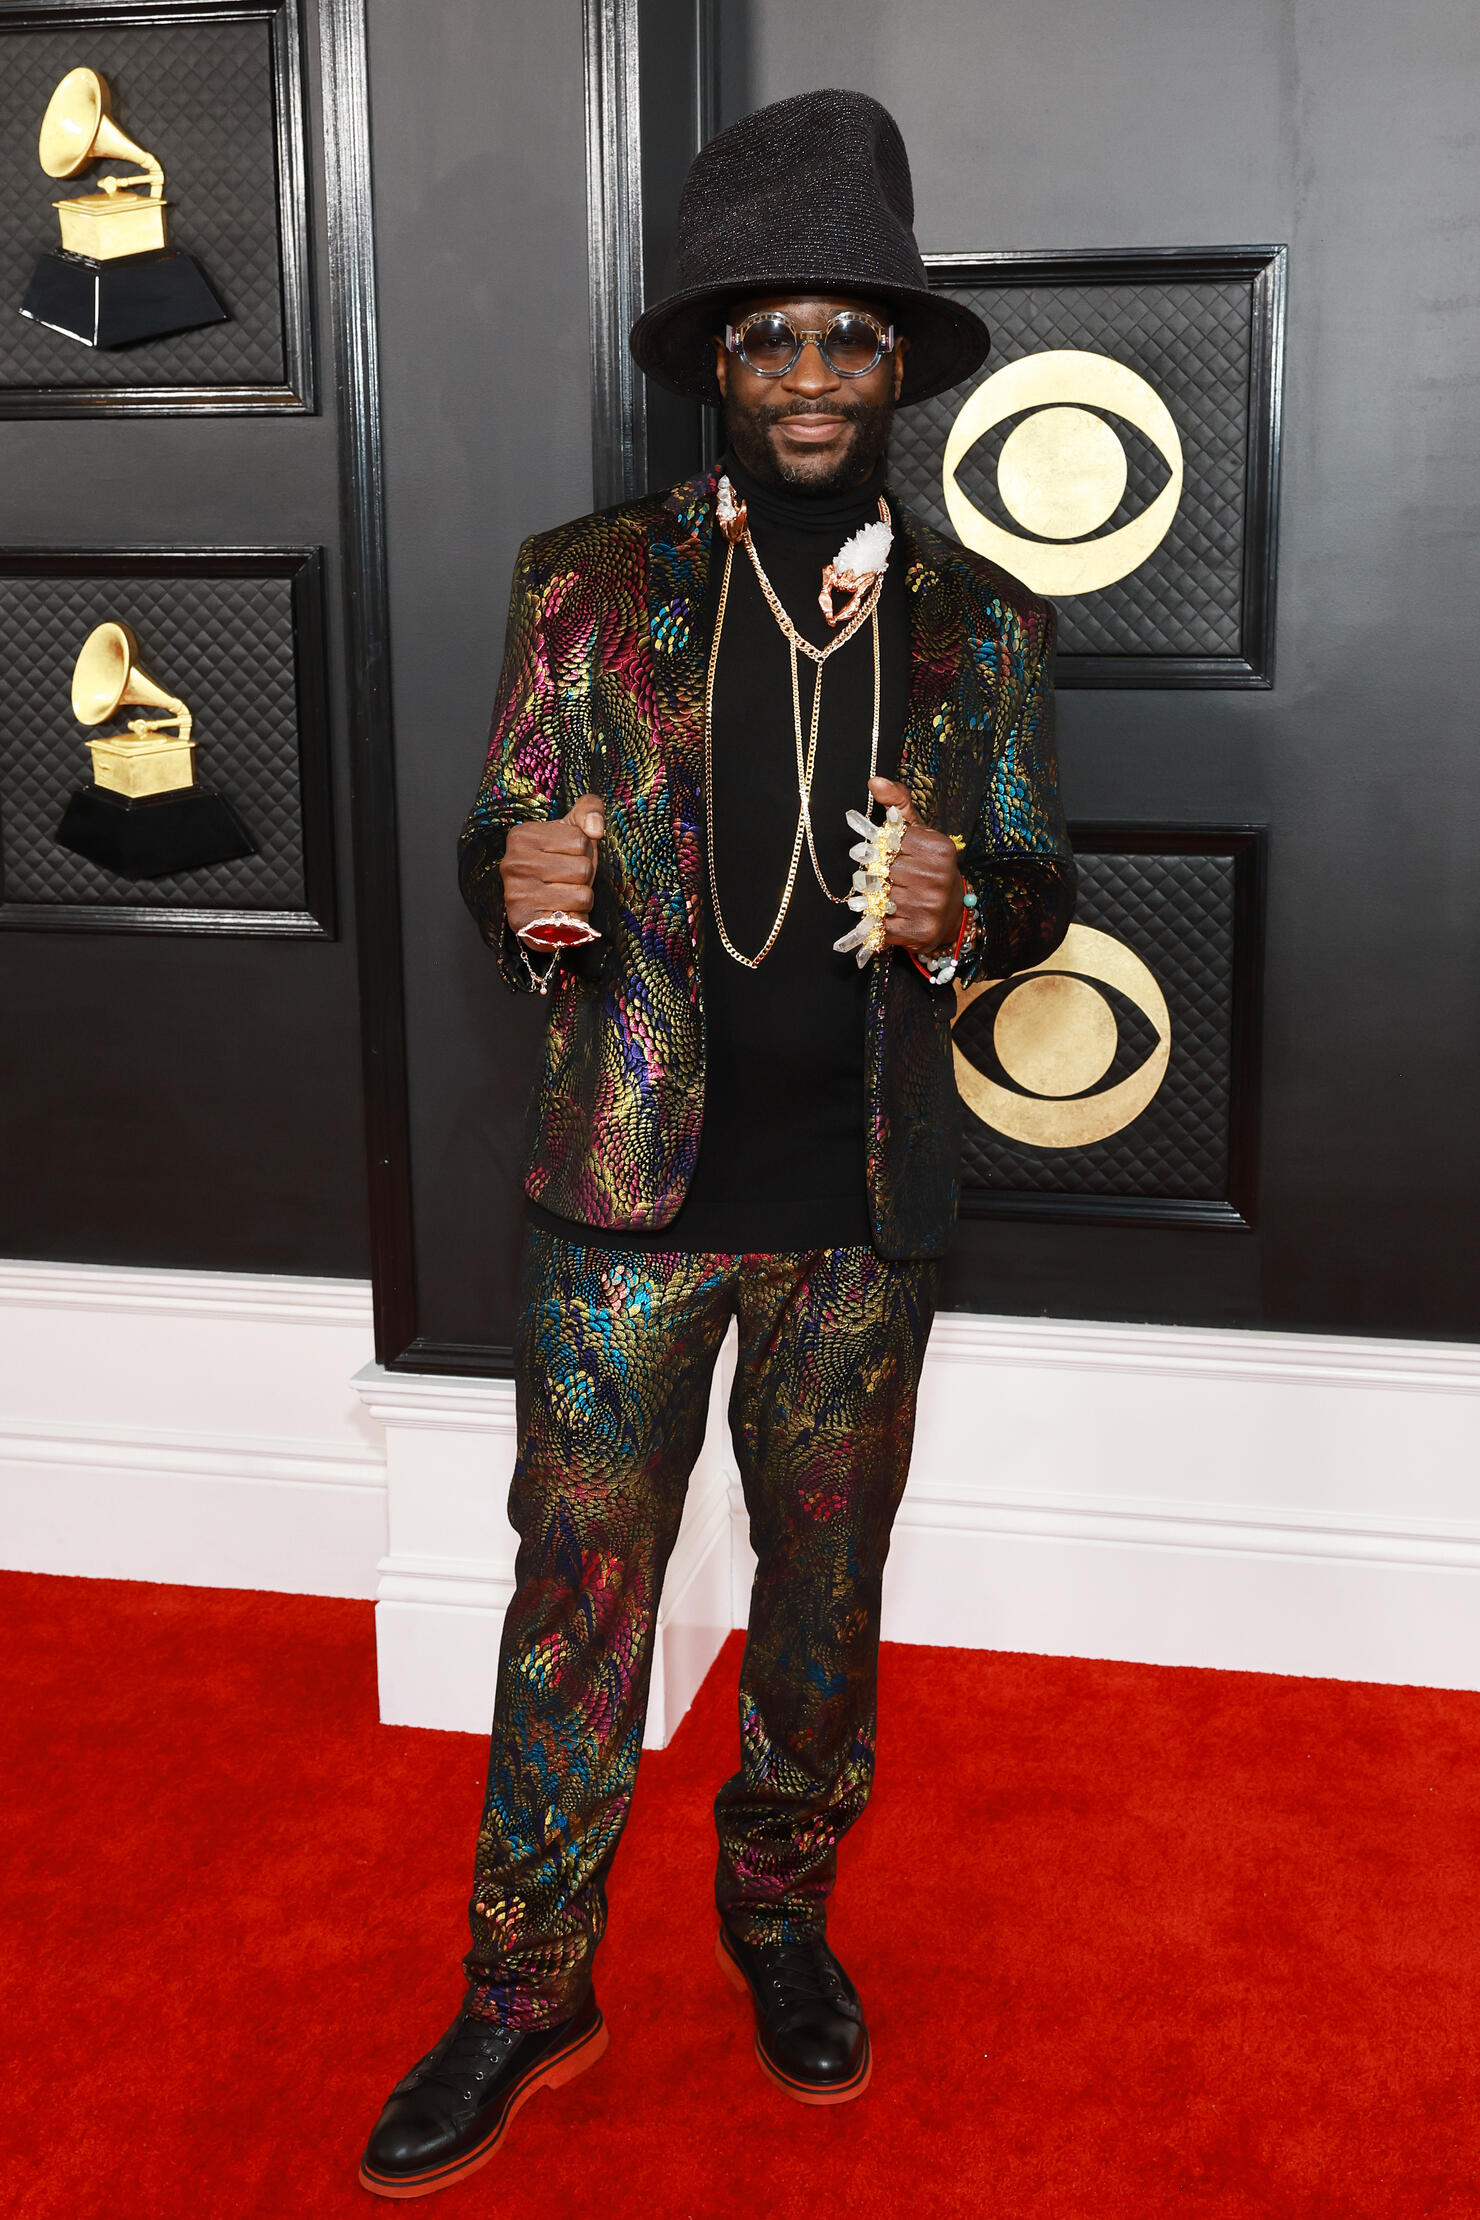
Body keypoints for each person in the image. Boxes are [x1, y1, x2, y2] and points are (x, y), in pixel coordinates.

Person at [359, 87, 1074, 2199]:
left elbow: (1030, 877)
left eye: (844, 334)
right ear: (713, 361)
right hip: (620, 1199)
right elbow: (498, 835)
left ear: (893, 363)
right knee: (572, 1596)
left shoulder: (983, 627)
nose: (806, 373)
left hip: (859, 1213)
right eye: (764, 335)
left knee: (821, 1600)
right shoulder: (583, 585)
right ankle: (521, 1986)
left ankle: (778, 1919)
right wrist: (524, 877)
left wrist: (979, 903)